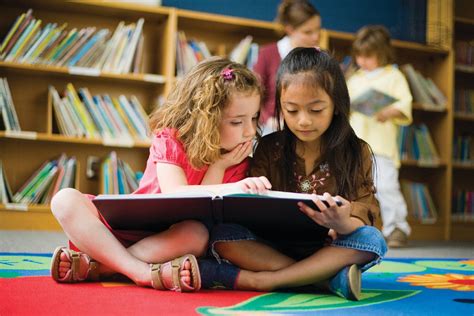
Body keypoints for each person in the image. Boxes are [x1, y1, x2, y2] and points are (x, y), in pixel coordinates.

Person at [49, 57, 271, 292]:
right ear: (205, 119)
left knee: (197, 235)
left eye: (254, 118)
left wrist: (218, 167)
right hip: (116, 231)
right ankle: (141, 272)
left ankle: (101, 267)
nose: (249, 131)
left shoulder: (238, 161)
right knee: (64, 200)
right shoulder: (171, 139)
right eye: (237, 122)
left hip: (165, 242)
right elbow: (175, 193)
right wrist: (230, 186)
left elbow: (203, 213)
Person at [207, 47, 387, 301]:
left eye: (316, 110)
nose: (303, 121)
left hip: (330, 248)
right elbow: (246, 206)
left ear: (336, 105)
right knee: (222, 236)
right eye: (291, 110)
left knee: (373, 240)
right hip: (273, 246)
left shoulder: (356, 151)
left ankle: (265, 280)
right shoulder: (270, 148)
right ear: (280, 106)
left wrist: (342, 223)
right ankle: (324, 279)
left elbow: (368, 211)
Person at [347, 25, 413, 248]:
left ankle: (397, 228)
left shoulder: (394, 76)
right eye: (359, 55)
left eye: (368, 56)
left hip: (382, 146)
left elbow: (405, 104)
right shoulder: (354, 78)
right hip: (356, 144)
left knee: (386, 187)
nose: (362, 60)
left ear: (382, 53)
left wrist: (390, 111)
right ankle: (359, 228)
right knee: (355, 187)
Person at [253, 0, 321, 135]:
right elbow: (253, 94)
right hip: (272, 129)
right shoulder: (267, 54)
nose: (316, 37)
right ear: (290, 30)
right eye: (308, 32)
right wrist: (268, 120)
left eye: (318, 30)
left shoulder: (320, 57)